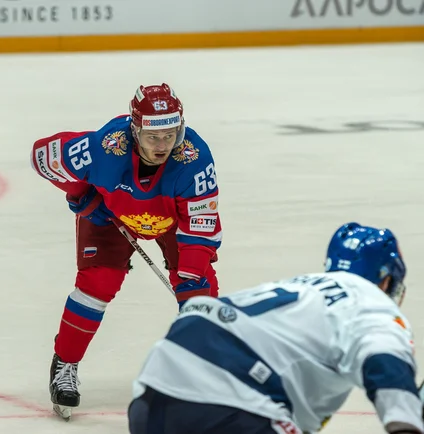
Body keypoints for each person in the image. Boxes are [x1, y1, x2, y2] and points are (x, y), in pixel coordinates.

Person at [30, 83, 223, 419]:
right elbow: (43, 156)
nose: (163, 145)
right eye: (153, 137)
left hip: (172, 221)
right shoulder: (106, 147)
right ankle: (66, 363)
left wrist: (191, 280)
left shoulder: (194, 157)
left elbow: (200, 225)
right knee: (97, 285)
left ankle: (204, 366)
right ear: (135, 131)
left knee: (198, 287)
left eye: (170, 135)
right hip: (112, 216)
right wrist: (83, 196)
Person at [129, 222, 424, 434]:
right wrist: (406, 421)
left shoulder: (301, 287)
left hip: (153, 390)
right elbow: (386, 364)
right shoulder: (370, 301)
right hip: (230, 398)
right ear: (385, 280)